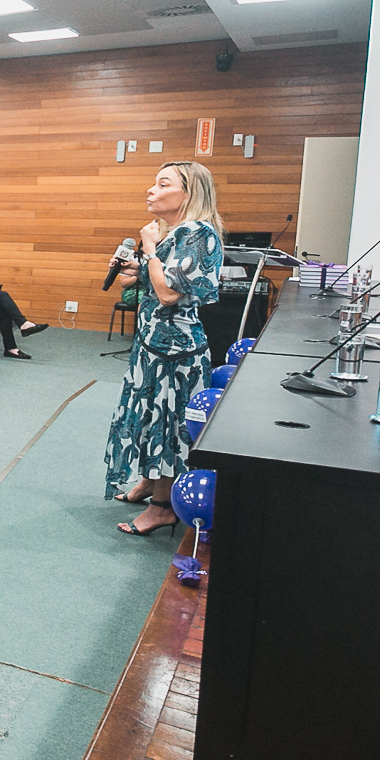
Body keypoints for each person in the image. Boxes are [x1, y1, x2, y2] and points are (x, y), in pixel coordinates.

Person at [106, 162, 224, 535]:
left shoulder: (197, 232)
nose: (151, 190)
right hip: (153, 345)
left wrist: (150, 248)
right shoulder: (179, 232)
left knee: (167, 424)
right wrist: (136, 264)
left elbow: (170, 293)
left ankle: (162, 507)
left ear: (189, 194)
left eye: (162, 184)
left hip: (175, 351)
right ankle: (150, 482)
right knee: (148, 416)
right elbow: (161, 277)